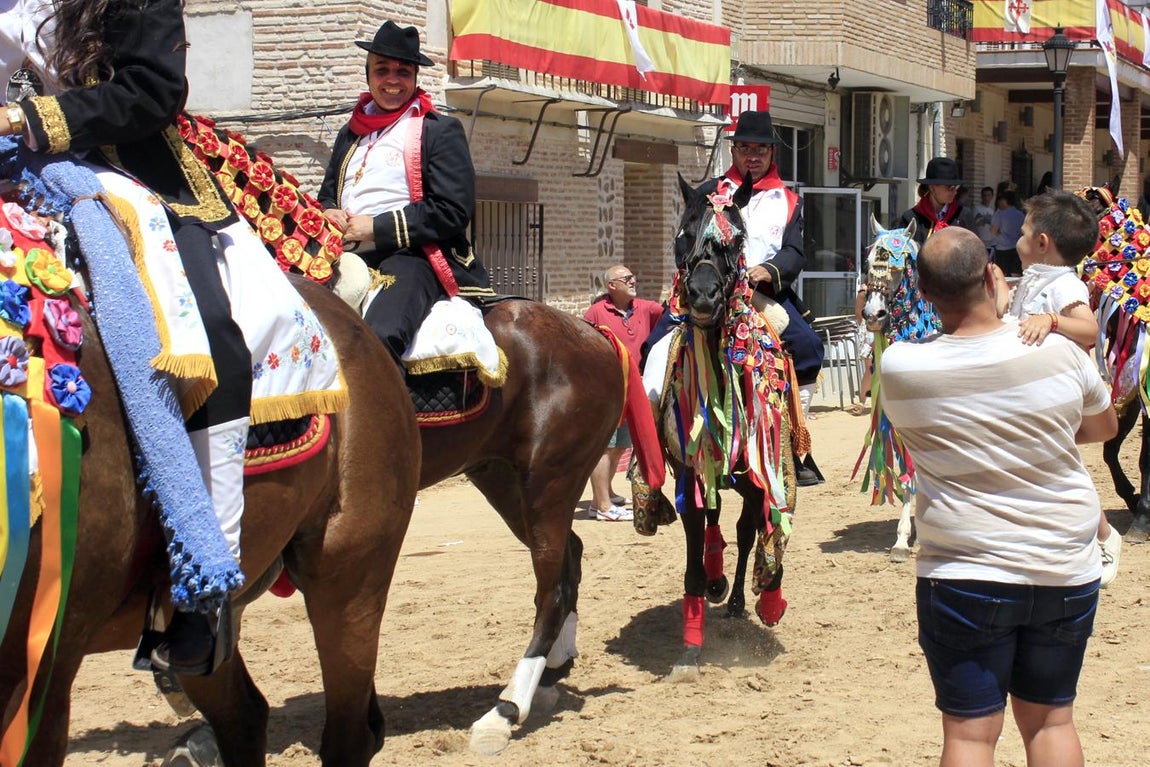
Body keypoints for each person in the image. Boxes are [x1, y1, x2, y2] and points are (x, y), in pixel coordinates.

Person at [0, 0, 344, 673]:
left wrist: (28, 118)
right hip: (16, 170)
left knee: (207, 329)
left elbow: (152, 91)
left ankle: (201, 576)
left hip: (128, 169)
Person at [881, 226, 1117, 767]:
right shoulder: (1058, 352)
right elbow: (1102, 427)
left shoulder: (899, 367)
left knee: (968, 737)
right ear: (993, 276)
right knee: (1052, 722)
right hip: (1062, 566)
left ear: (922, 292)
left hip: (963, 572)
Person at [319, 20, 494, 363]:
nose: (392, 80)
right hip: (341, 254)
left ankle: (390, 417)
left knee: (379, 337)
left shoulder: (439, 131)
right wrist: (327, 210)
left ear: (415, 77)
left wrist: (376, 228)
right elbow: (327, 194)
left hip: (414, 256)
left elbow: (452, 211)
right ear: (368, 75)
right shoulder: (350, 133)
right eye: (382, 70)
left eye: (403, 71)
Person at [995, 191, 1121, 587]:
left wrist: (1052, 320)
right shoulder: (1036, 278)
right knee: (1049, 465)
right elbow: (1011, 318)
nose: (1018, 236)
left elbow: (1088, 328)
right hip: (1033, 390)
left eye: (1024, 230)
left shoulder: (1065, 285)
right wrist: (999, 288)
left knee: (1060, 465)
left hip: (1057, 390)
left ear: (1042, 243)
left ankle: (1104, 536)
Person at [707, 109, 826, 485]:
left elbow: (795, 252)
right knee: (656, 345)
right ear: (734, 151)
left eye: (760, 149)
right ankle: (654, 449)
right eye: (744, 148)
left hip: (760, 291)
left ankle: (795, 444)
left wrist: (768, 270)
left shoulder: (789, 200)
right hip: (712, 290)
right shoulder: (711, 192)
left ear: (772, 153)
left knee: (808, 349)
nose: (752, 155)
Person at [583, 265, 664, 521]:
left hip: (635, 388)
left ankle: (604, 493)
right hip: (608, 389)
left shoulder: (645, 308)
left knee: (621, 445)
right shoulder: (596, 312)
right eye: (626, 278)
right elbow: (582, 343)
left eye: (633, 276)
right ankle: (602, 507)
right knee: (606, 446)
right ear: (611, 286)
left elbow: (671, 314)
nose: (633, 280)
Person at [899, 157, 977, 250]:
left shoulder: (963, 215)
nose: (955, 192)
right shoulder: (911, 218)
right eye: (949, 187)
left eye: (956, 187)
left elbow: (975, 251)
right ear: (932, 188)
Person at [989, 190, 1025, 277]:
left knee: (1002, 275)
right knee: (1016, 273)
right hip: (1016, 248)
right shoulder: (1020, 214)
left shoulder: (1000, 213)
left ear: (1005, 201)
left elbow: (993, 231)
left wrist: (999, 233)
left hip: (1002, 248)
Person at [974, 186, 996, 255]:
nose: (986, 198)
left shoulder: (992, 211)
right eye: (984, 195)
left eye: (988, 195)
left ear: (992, 196)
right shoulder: (976, 208)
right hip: (980, 240)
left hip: (991, 241)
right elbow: (977, 223)